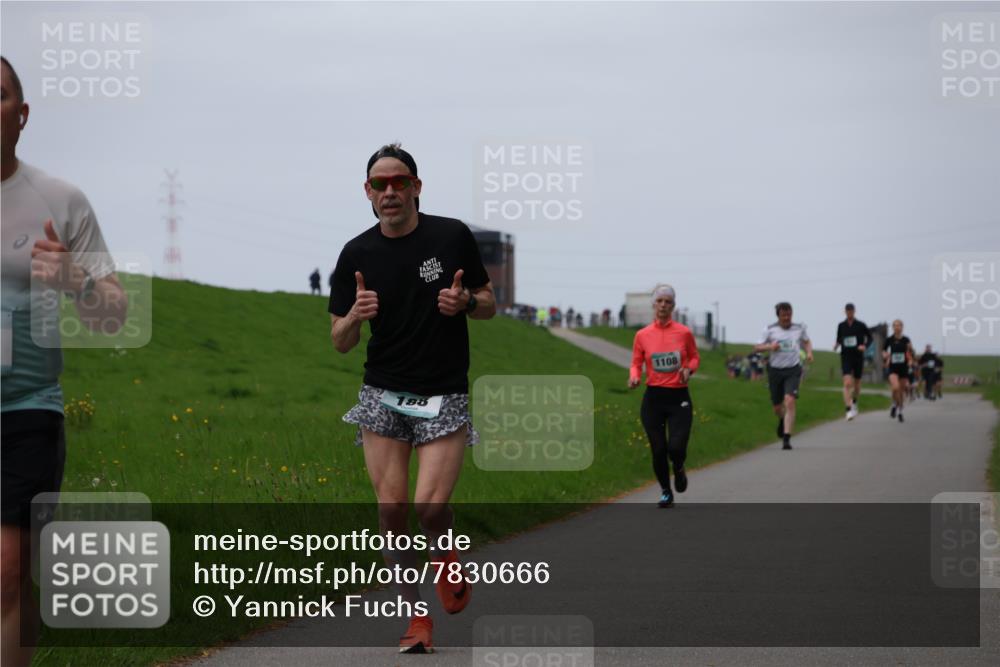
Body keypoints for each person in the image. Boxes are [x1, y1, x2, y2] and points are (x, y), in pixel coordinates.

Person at [328, 143, 495, 654]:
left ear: (417, 187)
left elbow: (488, 304)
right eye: (380, 185)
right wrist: (355, 315)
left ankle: (446, 557)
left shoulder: (451, 236)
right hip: (383, 391)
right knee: (393, 507)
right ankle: (416, 617)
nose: (391, 192)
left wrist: (465, 301)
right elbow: (339, 339)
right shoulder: (356, 253)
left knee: (428, 506)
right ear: (368, 193)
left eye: (400, 182)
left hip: (443, 392)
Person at [1, 56, 127, 667]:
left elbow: (115, 315)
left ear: (21, 116)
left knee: (6, 572)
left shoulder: (59, 198)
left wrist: (76, 279)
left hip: (26, 409)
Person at [629, 285, 700, 508]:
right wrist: (634, 377)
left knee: (676, 448)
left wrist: (689, 369)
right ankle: (666, 491)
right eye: (659, 301)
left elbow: (694, 357)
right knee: (658, 449)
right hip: (654, 399)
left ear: (673, 306)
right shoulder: (642, 335)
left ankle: (678, 468)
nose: (663, 305)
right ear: (653, 304)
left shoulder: (684, 332)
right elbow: (636, 362)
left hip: (679, 398)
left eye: (667, 302)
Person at [754, 302, 813, 450]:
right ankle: (781, 419)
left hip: (793, 369)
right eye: (783, 315)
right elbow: (757, 347)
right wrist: (770, 347)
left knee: (790, 400)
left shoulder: (799, 328)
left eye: (789, 314)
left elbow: (806, 342)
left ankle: (786, 438)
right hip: (775, 370)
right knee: (777, 407)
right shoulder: (770, 329)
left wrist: (810, 352)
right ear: (778, 316)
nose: (786, 318)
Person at [833, 303, 871, 421]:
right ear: (845, 312)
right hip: (846, 356)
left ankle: (854, 402)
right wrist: (837, 344)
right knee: (847, 383)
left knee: (857, 384)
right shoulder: (841, 325)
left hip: (858, 356)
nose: (849, 312)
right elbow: (839, 338)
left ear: (854, 311)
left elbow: (870, 338)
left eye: (851, 310)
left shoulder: (861, 325)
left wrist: (864, 346)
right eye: (847, 311)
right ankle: (848, 409)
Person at [882, 319, 914, 423]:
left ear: (902, 327)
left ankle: (899, 410)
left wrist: (910, 360)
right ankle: (894, 405)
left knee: (900, 391)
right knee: (895, 387)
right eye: (895, 325)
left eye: (899, 325)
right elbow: (884, 350)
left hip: (903, 368)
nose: (897, 327)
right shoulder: (889, 339)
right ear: (893, 327)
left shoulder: (906, 340)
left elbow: (910, 354)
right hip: (893, 367)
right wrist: (885, 355)